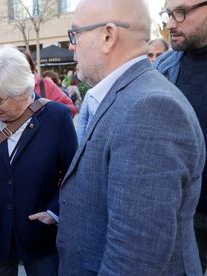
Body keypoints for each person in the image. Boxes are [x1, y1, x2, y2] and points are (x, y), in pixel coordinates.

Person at [57, 0, 205, 275]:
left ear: (108, 36)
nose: (71, 46)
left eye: (75, 34)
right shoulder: (129, 95)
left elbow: (135, 260)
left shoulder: (150, 108)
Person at [0, 45, 77, 276]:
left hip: (40, 237)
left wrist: (54, 213)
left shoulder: (57, 117)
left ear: (21, 91)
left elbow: (74, 176)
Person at [154, 0, 207, 272]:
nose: (171, 23)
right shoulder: (162, 68)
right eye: (168, 14)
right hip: (186, 215)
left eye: (181, 12)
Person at [19, 48, 77, 116]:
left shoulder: (45, 84)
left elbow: (70, 109)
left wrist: (46, 115)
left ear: (30, 67)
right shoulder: (4, 90)